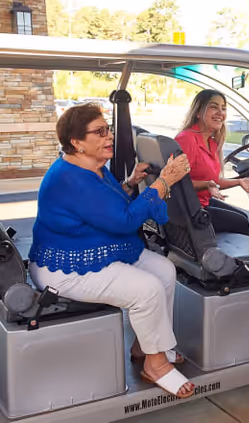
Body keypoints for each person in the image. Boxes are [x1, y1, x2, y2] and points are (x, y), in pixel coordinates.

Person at [28, 103, 195, 399]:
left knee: (165, 270)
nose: (109, 137)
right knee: (147, 289)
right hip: (65, 269)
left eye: (109, 130)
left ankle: (145, 346)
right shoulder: (69, 178)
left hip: (93, 249)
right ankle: (155, 365)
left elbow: (106, 206)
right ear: (77, 143)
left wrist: (131, 184)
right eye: (100, 132)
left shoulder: (91, 168)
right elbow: (123, 220)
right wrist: (164, 181)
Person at [175, 89, 249, 236]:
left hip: (202, 202)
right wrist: (206, 184)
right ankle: (232, 258)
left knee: (244, 218)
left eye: (223, 108)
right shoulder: (187, 139)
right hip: (189, 210)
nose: (220, 113)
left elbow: (214, 181)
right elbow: (175, 182)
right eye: (214, 107)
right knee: (241, 222)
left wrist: (240, 181)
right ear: (198, 112)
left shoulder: (212, 142)